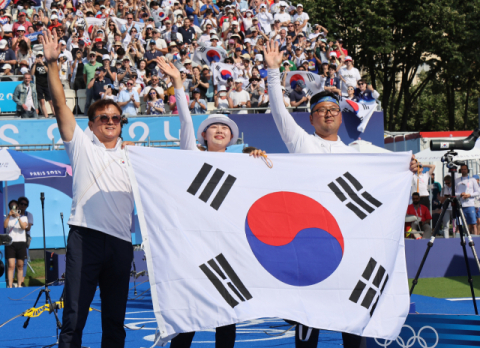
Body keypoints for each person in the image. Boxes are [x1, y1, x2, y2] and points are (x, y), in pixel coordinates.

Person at [264, 39, 417, 348]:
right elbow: (280, 113)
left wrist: (407, 164)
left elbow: (394, 168)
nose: (329, 114)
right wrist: (272, 71)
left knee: (352, 317)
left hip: (349, 245)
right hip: (310, 245)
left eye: (333, 109)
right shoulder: (303, 143)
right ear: (311, 118)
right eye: (321, 110)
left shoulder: (357, 152)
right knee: (308, 320)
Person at [156, 57, 265, 348]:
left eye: (225, 129)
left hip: (227, 248)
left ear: (232, 138)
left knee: (227, 314)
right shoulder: (192, 155)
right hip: (193, 247)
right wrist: (179, 83)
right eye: (214, 127)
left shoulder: (243, 163)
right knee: (187, 315)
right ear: (203, 135)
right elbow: (184, 121)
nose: (219, 131)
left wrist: (257, 159)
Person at [41, 29, 134, 348]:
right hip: (85, 238)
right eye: (103, 117)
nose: (110, 121)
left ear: (122, 123)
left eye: (116, 118)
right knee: (74, 318)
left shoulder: (135, 155)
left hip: (122, 243)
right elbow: (59, 104)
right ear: (91, 124)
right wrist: (52, 64)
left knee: (114, 322)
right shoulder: (81, 145)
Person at [4, 200, 29, 288]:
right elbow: (5, 226)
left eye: (15, 207)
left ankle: (19, 285)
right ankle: (10, 285)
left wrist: (18, 217)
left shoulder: (24, 217)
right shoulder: (8, 217)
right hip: (10, 243)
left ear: (18, 208)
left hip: (21, 243)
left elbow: (23, 227)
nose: (13, 209)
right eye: (11, 207)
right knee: (11, 265)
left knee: (20, 265)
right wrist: (9, 215)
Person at [455, 164, 480, 236]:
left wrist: (469, 195)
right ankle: (457, 239)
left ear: (467, 170)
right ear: (460, 170)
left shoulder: (472, 180)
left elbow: (478, 192)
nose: (463, 170)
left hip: (470, 205)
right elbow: (452, 193)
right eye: (462, 169)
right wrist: (460, 194)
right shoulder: (457, 180)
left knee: (473, 224)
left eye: (465, 169)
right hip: (460, 205)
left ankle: (475, 239)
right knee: (459, 224)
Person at [32, 51, 56, 118]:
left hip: (46, 84)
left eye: (40, 56)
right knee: (42, 101)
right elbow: (32, 73)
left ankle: (55, 114)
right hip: (39, 84)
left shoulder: (46, 63)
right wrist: (34, 64)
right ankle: (46, 116)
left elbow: (48, 71)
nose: (39, 58)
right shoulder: (34, 64)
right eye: (38, 56)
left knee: (50, 101)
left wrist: (42, 64)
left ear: (43, 57)